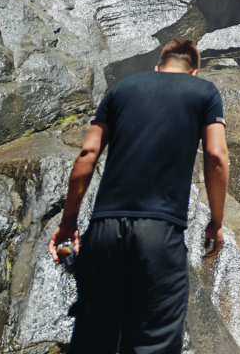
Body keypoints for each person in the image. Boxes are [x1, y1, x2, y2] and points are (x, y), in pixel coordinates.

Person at [48, 37, 230, 354]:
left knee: (93, 341)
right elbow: (216, 157)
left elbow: (87, 154)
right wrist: (215, 222)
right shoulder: (204, 93)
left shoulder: (122, 89)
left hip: (104, 232)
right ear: (194, 71)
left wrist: (68, 223)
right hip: (158, 234)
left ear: (157, 67)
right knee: (153, 344)